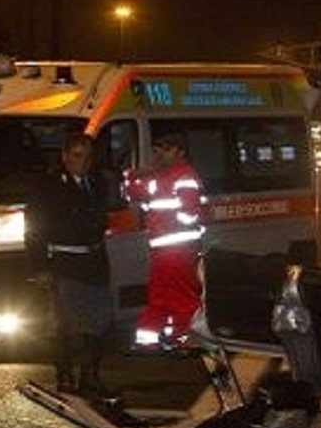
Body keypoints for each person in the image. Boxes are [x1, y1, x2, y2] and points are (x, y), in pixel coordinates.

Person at [26, 132, 116, 396]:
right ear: (65, 156)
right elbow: (34, 229)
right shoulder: (48, 186)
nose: (83, 162)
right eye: (77, 156)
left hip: (94, 260)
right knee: (64, 324)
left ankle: (90, 376)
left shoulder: (98, 182)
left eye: (88, 156)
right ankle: (64, 376)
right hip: (64, 262)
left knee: (98, 321)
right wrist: (40, 267)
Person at [125, 132, 205, 349]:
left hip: (178, 249)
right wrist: (133, 174)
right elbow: (132, 192)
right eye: (157, 150)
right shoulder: (161, 177)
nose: (160, 154)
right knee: (161, 297)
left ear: (181, 152)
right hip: (164, 250)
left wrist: (166, 221)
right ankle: (151, 342)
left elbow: (190, 214)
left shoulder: (184, 177)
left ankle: (186, 340)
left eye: (167, 149)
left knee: (180, 297)